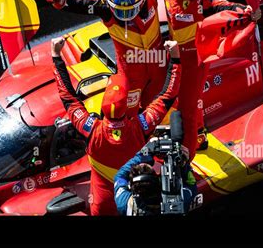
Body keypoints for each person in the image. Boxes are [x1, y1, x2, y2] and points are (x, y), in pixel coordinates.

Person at [107, 0, 261, 160]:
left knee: (190, 102)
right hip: (171, 50)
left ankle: (196, 137)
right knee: (167, 93)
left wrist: (248, 12)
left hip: (196, 56)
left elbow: (224, 6)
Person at [51, 37, 181, 215]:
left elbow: (67, 97)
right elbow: (167, 95)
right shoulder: (140, 127)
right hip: (133, 207)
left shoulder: (90, 129)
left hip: (101, 207)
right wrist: (175, 59)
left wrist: (56, 56)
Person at [46, 0, 166, 116]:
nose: (125, 13)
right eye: (121, 9)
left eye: (130, 8)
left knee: (157, 108)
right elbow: (82, 5)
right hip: (131, 75)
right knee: (130, 114)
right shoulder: (106, 7)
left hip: (158, 65)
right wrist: (60, 1)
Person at [114, 139, 197, 216]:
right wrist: (184, 165)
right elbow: (191, 184)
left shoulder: (124, 203)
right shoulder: (179, 203)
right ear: (159, 182)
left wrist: (143, 154)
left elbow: (120, 176)